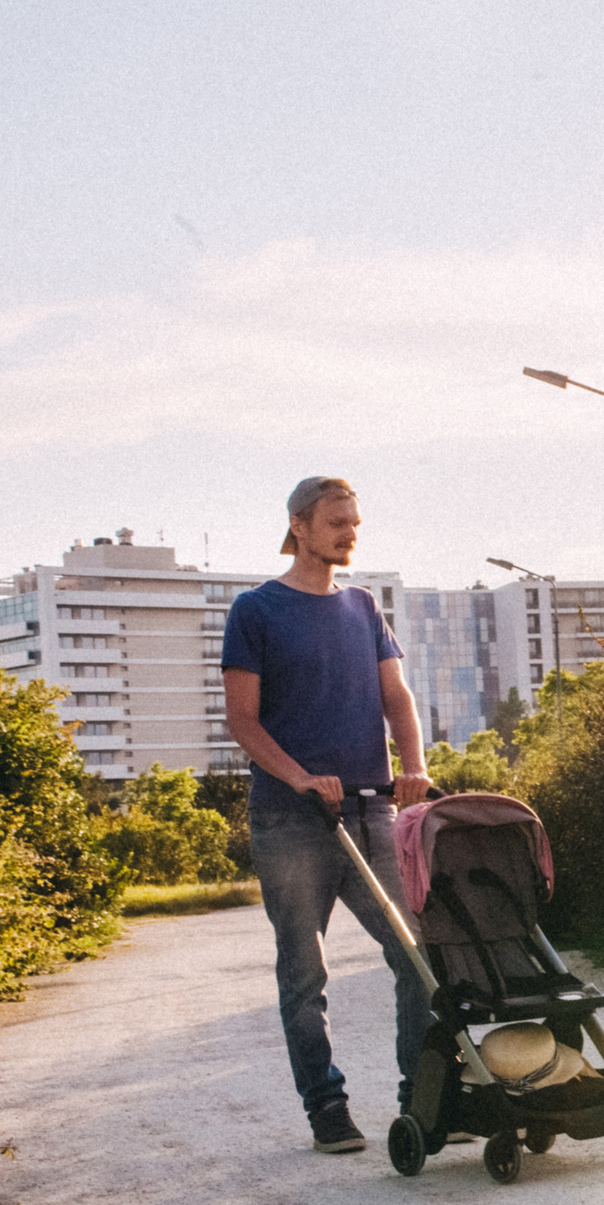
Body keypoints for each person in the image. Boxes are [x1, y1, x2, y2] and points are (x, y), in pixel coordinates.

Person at [221, 476, 435, 1153]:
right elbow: (243, 721)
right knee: (304, 971)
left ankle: (420, 1099)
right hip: (290, 820)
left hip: (371, 813)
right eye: (337, 522)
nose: (349, 533)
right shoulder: (255, 610)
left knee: (417, 955)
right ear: (300, 525)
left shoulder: (363, 607)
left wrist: (414, 765)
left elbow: (397, 700)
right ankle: (327, 1106)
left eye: (355, 523)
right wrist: (302, 778)